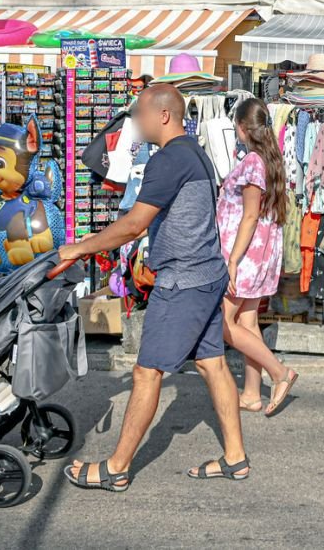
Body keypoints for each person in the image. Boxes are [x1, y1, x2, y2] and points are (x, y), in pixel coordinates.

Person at [59, 83, 248, 491]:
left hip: (183, 282)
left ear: (163, 115)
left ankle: (117, 467)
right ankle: (235, 458)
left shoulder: (169, 160)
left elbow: (133, 225)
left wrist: (79, 248)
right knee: (211, 363)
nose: (136, 122)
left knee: (147, 373)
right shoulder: (194, 151)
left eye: (140, 114)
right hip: (207, 275)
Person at [216, 97, 299, 415]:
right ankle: (251, 393)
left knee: (222, 322)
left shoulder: (252, 162)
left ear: (241, 127)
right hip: (259, 251)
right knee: (247, 321)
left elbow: (249, 216)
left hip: (246, 254)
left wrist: (233, 261)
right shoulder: (268, 158)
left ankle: (279, 373)